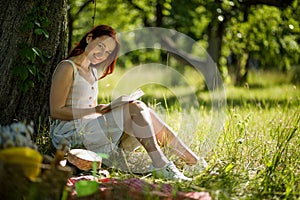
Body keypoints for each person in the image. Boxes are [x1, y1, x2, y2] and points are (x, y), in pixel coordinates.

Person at [50, 25, 200, 181]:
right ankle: (161, 164)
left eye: (107, 52)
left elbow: (91, 109)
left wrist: (109, 108)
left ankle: (192, 160)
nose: (102, 54)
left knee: (144, 110)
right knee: (135, 108)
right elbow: (56, 111)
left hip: (89, 128)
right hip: (70, 133)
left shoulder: (93, 71)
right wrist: (96, 110)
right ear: (89, 39)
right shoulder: (67, 67)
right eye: (100, 46)